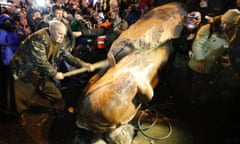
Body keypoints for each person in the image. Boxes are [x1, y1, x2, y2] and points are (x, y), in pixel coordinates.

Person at [10, 19, 94, 116]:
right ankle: (19, 115)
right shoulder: (39, 38)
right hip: (25, 70)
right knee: (21, 97)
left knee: (55, 94)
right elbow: (41, 61)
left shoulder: (59, 40)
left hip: (42, 72)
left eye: (63, 34)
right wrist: (54, 74)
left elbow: (67, 56)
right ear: (51, 31)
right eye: (59, 34)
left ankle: (55, 108)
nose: (62, 37)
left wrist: (83, 64)